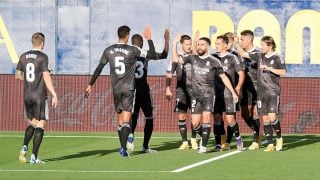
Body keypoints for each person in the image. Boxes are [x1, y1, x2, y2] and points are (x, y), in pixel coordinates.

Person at [85, 25, 156, 157]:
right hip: (129, 89)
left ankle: (122, 146)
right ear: (127, 36)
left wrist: (90, 84)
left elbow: (99, 67)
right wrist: (149, 40)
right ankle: (123, 149)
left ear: (118, 35)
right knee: (126, 121)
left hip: (116, 89)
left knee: (119, 121)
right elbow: (152, 54)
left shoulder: (109, 50)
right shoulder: (132, 50)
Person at [173, 34, 239, 153]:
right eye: (198, 44)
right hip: (195, 96)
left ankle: (203, 146)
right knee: (195, 123)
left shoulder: (214, 61)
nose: (199, 46)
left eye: (202, 45)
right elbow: (176, 59)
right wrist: (174, 44)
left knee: (207, 119)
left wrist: (233, 92)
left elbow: (224, 77)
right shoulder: (192, 58)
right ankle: (205, 136)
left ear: (207, 47)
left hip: (209, 95)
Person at [16, 32, 58, 164]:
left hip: (27, 95)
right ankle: (34, 157)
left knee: (33, 123)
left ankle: (24, 147)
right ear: (42, 43)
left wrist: (31, 79)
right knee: (40, 124)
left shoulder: (23, 56)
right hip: (39, 95)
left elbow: (17, 75)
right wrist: (54, 94)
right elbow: (45, 76)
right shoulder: (42, 57)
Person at [126, 29, 170, 153]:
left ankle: (130, 137)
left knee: (133, 117)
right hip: (143, 90)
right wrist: (165, 40)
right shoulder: (144, 53)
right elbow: (164, 55)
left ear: (131, 43)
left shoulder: (126, 54)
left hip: (131, 90)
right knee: (149, 118)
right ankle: (145, 146)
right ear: (141, 44)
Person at [165, 34, 199, 150]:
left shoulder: (195, 56)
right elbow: (169, 74)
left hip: (194, 91)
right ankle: (185, 141)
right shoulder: (176, 57)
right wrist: (167, 88)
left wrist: (195, 42)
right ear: (182, 45)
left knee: (195, 118)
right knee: (182, 115)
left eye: (190, 44)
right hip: (181, 91)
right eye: (187, 44)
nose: (189, 46)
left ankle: (194, 139)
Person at [212, 35, 245, 152]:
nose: (216, 45)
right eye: (215, 43)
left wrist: (237, 88)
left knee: (230, 119)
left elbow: (241, 74)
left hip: (229, 93)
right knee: (216, 118)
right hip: (216, 93)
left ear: (225, 45)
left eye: (218, 43)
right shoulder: (212, 58)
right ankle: (218, 143)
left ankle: (238, 138)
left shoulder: (232, 58)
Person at [235, 30, 262, 150]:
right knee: (245, 114)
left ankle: (256, 140)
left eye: (242, 40)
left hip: (256, 87)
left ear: (250, 39)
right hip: (244, 88)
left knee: (254, 112)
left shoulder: (258, 53)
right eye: (240, 39)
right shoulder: (239, 54)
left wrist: (236, 43)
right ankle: (257, 131)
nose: (241, 42)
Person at [257, 36, 285, 152]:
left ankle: (279, 138)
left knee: (272, 116)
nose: (261, 47)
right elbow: (244, 54)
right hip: (261, 93)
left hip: (273, 92)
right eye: (261, 45)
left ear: (270, 46)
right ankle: (270, 144)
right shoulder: (259, 56)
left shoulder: (277, 57)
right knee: (265, 118)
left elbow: (283, 72)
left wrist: (270, 68)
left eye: (263, 45)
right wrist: (237, 43)